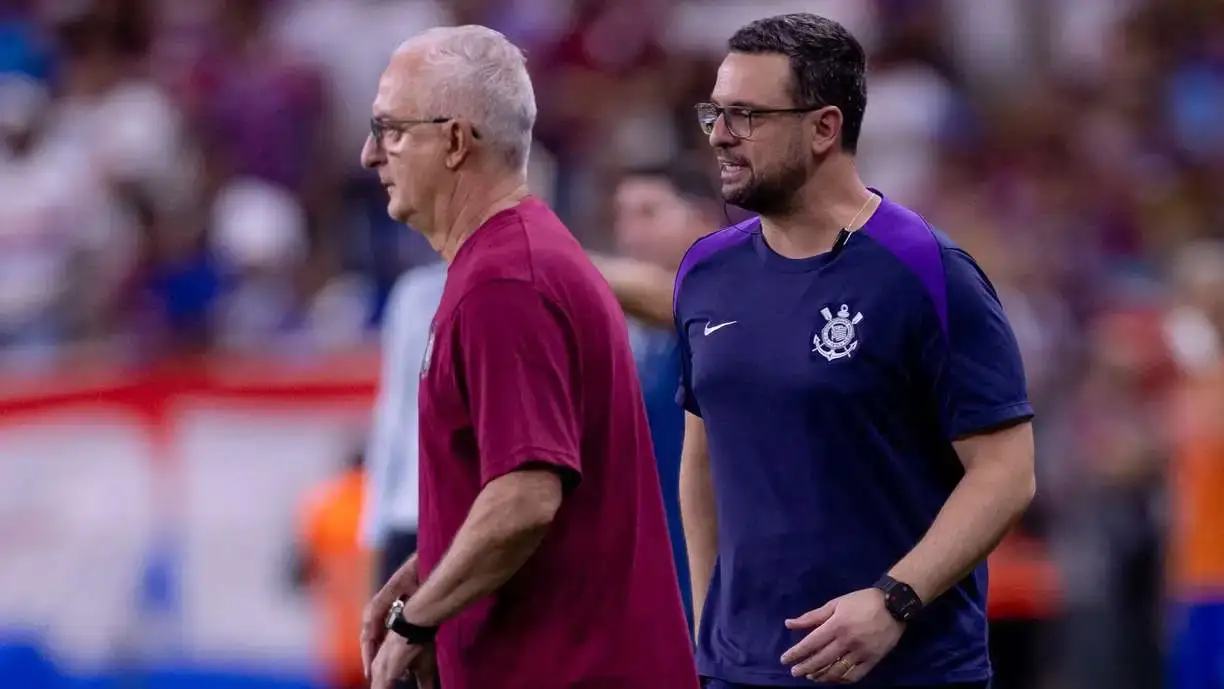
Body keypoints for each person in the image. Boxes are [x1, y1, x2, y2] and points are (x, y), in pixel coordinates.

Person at [676, 14, 1035, 688]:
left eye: (747, 115)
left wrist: (895, 599)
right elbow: (703, 461)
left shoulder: (929, 271)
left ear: (824, 128)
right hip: (740, 673)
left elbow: (1006, 473)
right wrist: (707, 630)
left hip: (909, 672)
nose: (720, 134)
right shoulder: (704, 271)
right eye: (715, 113)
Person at [356, 25, 698, 689]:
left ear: (455, 141)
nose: (371, 154)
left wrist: (417, 621)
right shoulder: (508, 262)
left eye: (390, 130)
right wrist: (431, 568)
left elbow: (527, 494)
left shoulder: (506, 281)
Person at [596, 162, 724, 631]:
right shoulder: (635, 332)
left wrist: (539, 254)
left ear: (703, 220)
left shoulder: (728, 297)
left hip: (722, 572)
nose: (629, 233)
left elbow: (670, 299)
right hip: (653, 571)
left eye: (648, 213)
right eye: (622, 215)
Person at [359, 259, 447, 689]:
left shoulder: (521, 280)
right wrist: (376, 528)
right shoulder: (415, 294)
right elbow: (393, 413)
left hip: (472, 523)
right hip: (408, 519)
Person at [291, 448, 371, 689]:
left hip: (338, 645)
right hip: (382, 640)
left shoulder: (325, 504)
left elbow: (300, 571)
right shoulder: (382, 502)